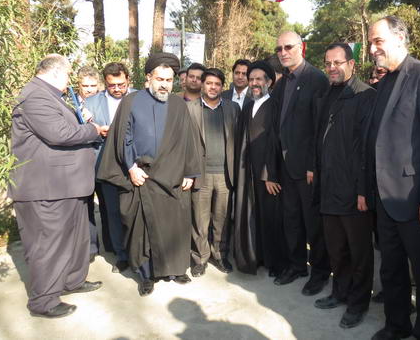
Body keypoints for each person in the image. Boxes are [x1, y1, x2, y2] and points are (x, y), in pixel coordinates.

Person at [362, 16, 420, 340]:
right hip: (386, 199)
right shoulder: (384, 82)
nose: (372, 48)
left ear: (399, 38)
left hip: (417, 201)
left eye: (378, 41)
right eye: (370, 43)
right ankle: (396, 325)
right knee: (391, 269)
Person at [97, 53, 200, 296]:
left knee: (175, 225)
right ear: (148, 78)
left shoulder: (178, 105)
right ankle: (146, 275)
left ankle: (175, 270)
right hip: (142, 178)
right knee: (142, 230)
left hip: (173, 178)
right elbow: (123, 138)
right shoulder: (131, 101)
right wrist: (131, 168)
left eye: (169, 80)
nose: (164, 84)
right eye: (160, 79)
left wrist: (190, 172)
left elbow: (188, 140)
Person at [9, 54, 103, 318]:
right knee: (48, 245)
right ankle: (44, 301)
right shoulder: (35, 97)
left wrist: (82, 120)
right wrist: (94, 130)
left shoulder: (49, 96)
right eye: (67, 75)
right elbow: (60, 134)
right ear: (55, 73)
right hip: (47, 188)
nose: (69, 80)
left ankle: (72, 281)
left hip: (67, 185)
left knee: (75, 238)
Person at [313, 43, 375, 329]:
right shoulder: (328, 94)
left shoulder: (365, 96)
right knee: (336, 248)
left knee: (359, 252)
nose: (332, 68)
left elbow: (367, 149)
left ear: (351, 64)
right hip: (328, 187)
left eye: (337, 62)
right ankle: (340, 292)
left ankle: (358, 303)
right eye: (328, 63)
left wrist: (363, 190)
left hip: (354, 192)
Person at [271, 31, 331, 296]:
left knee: (313, 224)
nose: (283, 52)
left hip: (307, 169)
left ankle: (320, 272)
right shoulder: (282, 82)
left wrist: (312, 165)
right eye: (279, 49)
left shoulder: (317, 79)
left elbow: (319, 128)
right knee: (292, 220)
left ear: (301, 47)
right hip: (286, 167)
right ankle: (297, 266)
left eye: (288, 47)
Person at [233, 61, 287, 276]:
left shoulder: (275, 106)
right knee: (251, 215)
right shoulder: (247, 106)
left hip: (268, 174)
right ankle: (254, 258)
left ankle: (274, 262)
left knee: (270, 218)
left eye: (258, 79)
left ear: (269, 82)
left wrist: (270, 174)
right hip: (248, 172)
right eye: (251, 79)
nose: (254, 83)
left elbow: (275, 142)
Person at [187, 68, 240, 277]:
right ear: (202, 84)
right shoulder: (190, 109)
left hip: (226, 174)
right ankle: (199, 259)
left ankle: (220, 255)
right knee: (200, 221)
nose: (213, 87)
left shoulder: (233, 108)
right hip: (201, 174)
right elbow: (184, 143)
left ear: (222, 87)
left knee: (222, 219)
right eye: (209, 83)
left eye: (217, 84)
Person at [83, 62, 132, 274]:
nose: (117, 89)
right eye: (112, 85)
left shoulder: (139, 98)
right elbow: (82, 130)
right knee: (112, 211)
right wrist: (97, 132)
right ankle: (121, 255)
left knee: (133, 211)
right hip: (104, 163)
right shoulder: (91, 102)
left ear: (128, 80)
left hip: (133, 164)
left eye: (121, 84)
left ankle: (137, 250)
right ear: (105, 83)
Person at [75, 65, 109, 261]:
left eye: (93, 85)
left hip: (102, 161)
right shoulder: (70, 104)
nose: (89, 89)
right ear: (78, 85)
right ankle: (91, 248)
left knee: (106, 205)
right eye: (85, 85)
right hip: (80, 163)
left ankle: (110, 244)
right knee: (85, 208)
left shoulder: (105, 101)